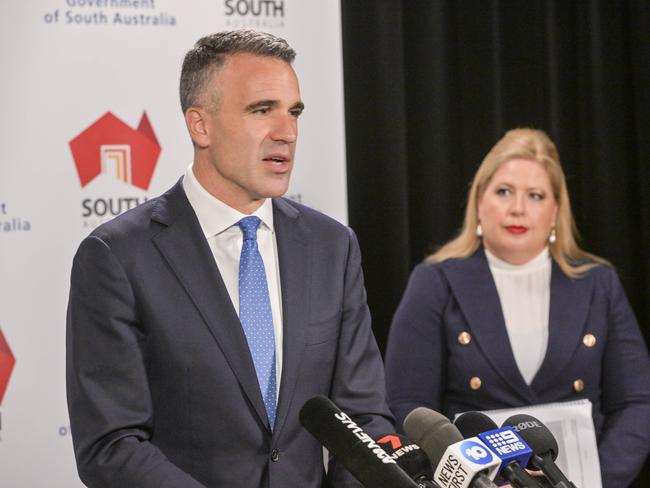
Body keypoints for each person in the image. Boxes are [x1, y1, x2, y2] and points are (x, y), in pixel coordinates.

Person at [66, 29, 393, 487]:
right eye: (262, 111)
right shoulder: (118, 257)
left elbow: (364, 419)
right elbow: (111, 445)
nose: (288, 132)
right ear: (200, 125)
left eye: (294, 112)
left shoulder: (331, 246)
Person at [384, 128, 650, 487]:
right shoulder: (434, 282)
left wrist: (595, 480)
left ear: (556, 210)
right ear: (479, 201)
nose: (518, 208)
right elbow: (407, 407)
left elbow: (636, 403)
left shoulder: (598, 283)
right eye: (504, 191)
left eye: (536, 195)